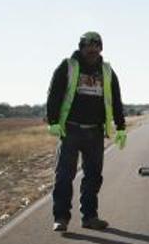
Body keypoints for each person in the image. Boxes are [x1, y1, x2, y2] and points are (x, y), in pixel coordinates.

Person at [45, 31, 127, 232]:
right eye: (88, 45)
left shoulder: (107, 72)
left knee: (93, 177)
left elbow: (116, 100)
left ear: (101, 48)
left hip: (95, 133)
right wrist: (53, 120)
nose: (92, 49)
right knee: (64, 176)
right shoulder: (69, 66)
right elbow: (54, 93)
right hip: (70, 130)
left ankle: (90, 217)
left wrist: (121, 127)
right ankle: (61, 218)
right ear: (80, 47)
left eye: (96, 45)